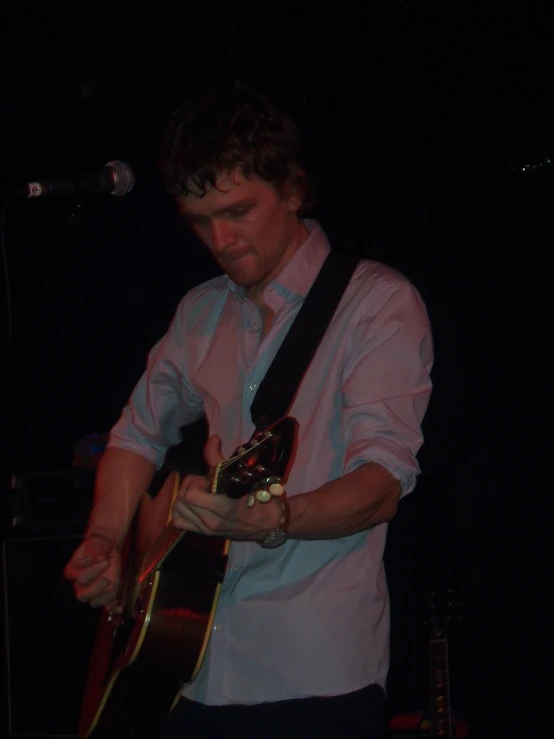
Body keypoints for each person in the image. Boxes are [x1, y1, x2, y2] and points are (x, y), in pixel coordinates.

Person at [64, 84, 433, 739]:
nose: (221, 240)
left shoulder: (376, 304)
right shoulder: (199, 311)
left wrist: (273, 517)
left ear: (292, 188)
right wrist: (104, 536)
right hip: (184, 665)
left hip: (310, 667)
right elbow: (135, 435)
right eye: (200, 220)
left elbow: (380, 486)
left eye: (238, 211)